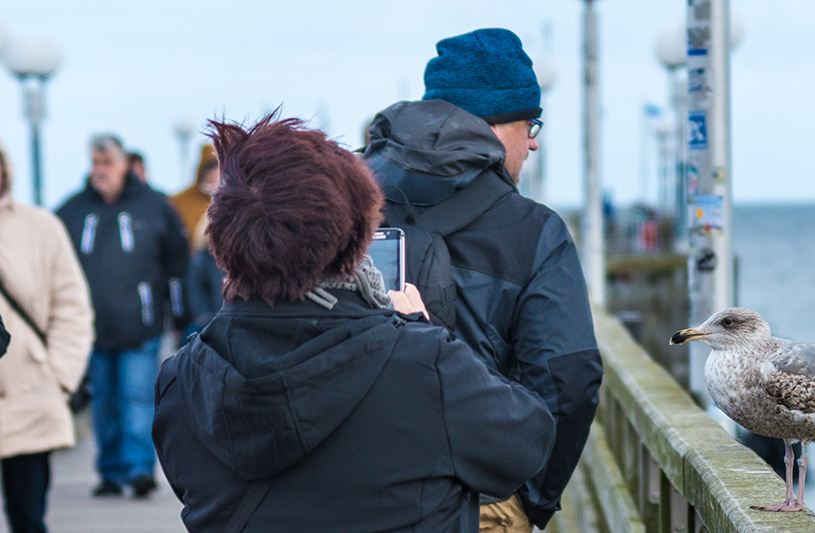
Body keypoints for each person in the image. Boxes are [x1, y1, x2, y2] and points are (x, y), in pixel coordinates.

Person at [153, 115, 555, 532]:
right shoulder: (425, 365)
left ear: (221, 238)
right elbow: (527, 443)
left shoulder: (180, 384)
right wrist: (421, 333)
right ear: (355, 233)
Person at [362, 27, 603, 532]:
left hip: (350, 490)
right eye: (530, 124)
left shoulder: (345, 202)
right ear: (493, 129)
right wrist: (530, 500)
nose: (534, 142)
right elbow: (569, 379)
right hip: (477, 498)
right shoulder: (534, 230)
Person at [55, 134, 190, 498]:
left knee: (136, 397)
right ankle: (111, 472)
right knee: (104, 402)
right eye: (95, 163)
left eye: (107, 163)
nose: (100, 171)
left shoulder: (154, 205)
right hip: (91, 327)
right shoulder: (73, 210)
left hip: (140, 325)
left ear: (123, 164)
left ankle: (139, 469)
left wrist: (179, 314)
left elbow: (178, 262)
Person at [0, 137, 96, 532]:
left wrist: (59, 375)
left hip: (29, 393)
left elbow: (72, 306)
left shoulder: (40, 227)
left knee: (28, 519)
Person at [169, 144, 219, 250]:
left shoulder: (232, 203)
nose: (213, 175)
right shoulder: (178, 201)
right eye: (210, 169)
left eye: (218, 170)